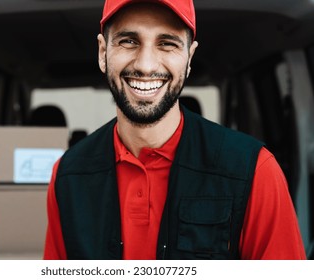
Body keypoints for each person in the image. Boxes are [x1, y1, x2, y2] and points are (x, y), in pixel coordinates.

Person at [43, 0, 306, 260]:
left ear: (189, 58)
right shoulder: (68, 175)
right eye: (128, 41)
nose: (146, 65)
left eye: (167, 43)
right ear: (102, 53)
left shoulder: (254, 170)